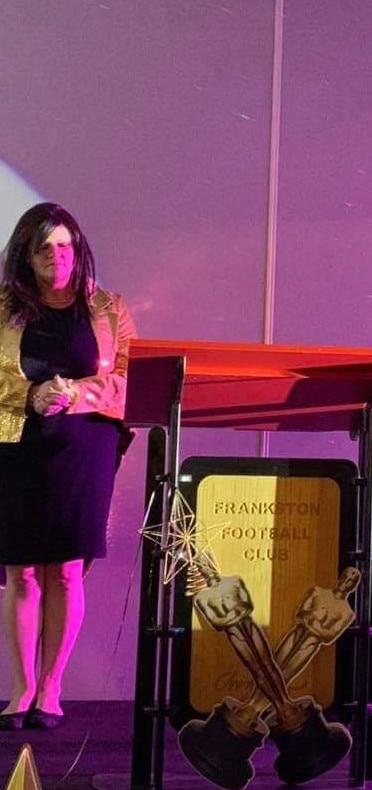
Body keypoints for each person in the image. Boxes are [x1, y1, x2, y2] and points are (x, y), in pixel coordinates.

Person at [0, 202, 136, 730]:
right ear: (26, 256)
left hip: (84, 445)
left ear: (78, 251)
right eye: (43, 247)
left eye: (64, 246)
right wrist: (31, 396)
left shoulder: (109, 307)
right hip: (15, 444)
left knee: (67, 570)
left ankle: (52, 689)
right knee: (22, 571)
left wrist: (74, 394)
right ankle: (21, 688)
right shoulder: (4, 306)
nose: (56, 256)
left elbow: (129, 378)